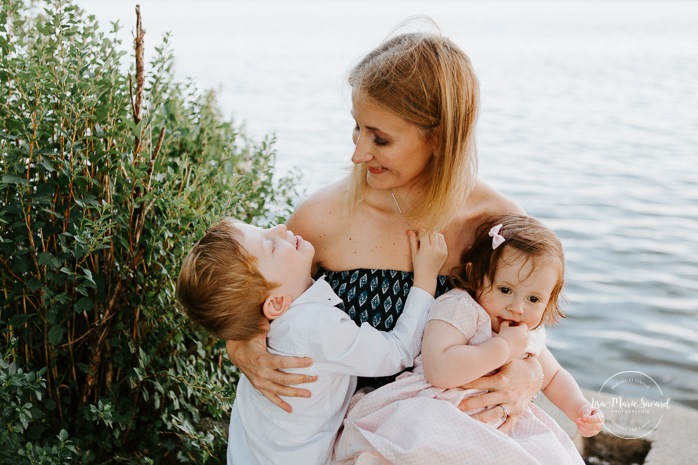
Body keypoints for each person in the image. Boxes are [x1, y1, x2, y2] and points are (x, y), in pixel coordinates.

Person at [226, 20, 543, 430]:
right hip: (340, 443)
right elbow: (252, 301)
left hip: (452, 433)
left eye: (380, 139)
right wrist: (242, 348)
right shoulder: (321, 219)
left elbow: (528, 326)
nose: (358, 154)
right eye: (357, 128)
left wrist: (529, 375)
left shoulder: (496, 224)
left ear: (440, 138)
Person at [333, 214, 605, 465]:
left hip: (498, 424)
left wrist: (579, 407)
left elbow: (554, 376)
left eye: (534, 299)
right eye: (505, 289)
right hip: (440, 408)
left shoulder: (527, 332)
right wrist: (504, 347)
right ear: (476, 276)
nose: (517, 307)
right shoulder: (461, 308)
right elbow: (440, 369)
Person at [176, 217, 447, 464]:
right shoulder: (314, 326)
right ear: (276, 303)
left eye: (263, 227)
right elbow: (398, 351)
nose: (280, 228)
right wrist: (425, 279)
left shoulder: (256, 320)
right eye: (270, 245)